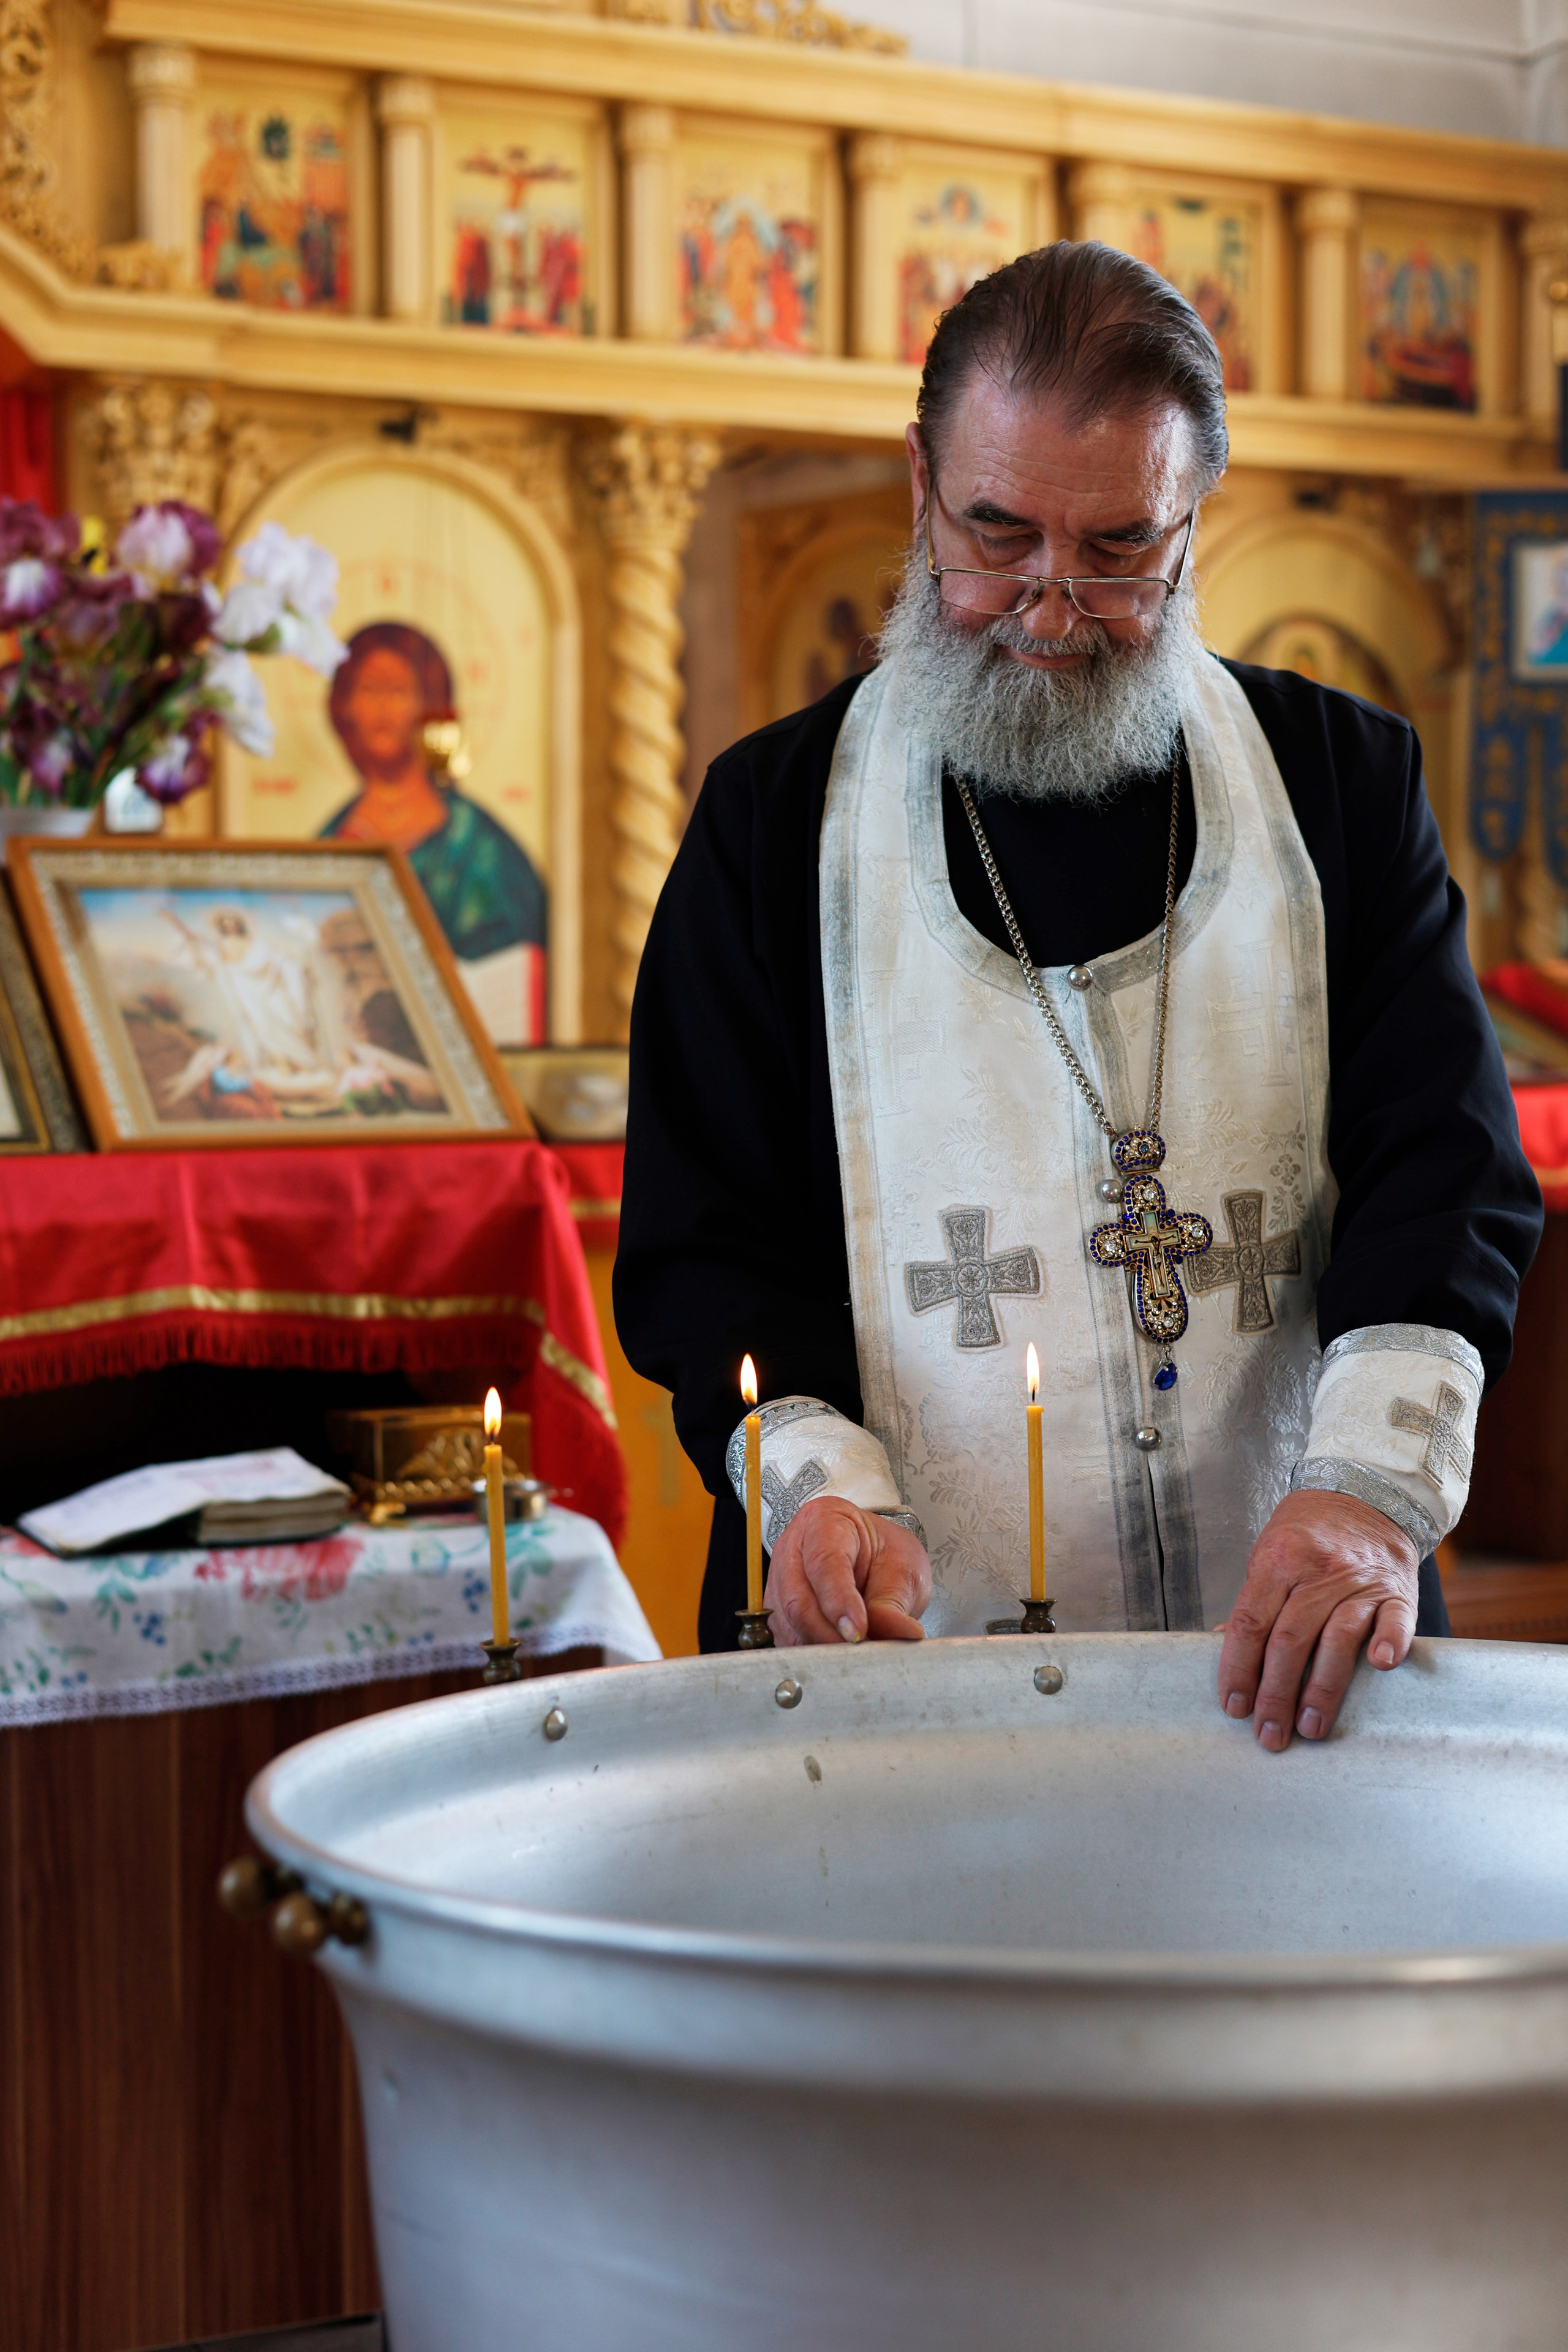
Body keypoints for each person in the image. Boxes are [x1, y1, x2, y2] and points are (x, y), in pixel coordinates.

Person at [615, 240, 1542, 1751]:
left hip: (1307, 1659)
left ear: (1193, 519)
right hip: (911, 1678)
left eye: (1117, 548)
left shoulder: (1335, 782)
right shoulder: (773, 824)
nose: (1049, 605)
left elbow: (1440, 1179)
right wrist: (819, 1493)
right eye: (996, 535)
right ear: (918, 483)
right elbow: (711, 1250)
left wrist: (1368, 1494)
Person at [320, 621, 546, 968]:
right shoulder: (330, 838)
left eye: (398, 691)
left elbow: (508, 954)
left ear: (427, 705)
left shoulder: (477, 842)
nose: (382, 707)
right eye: (368, 689)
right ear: (345, 707)